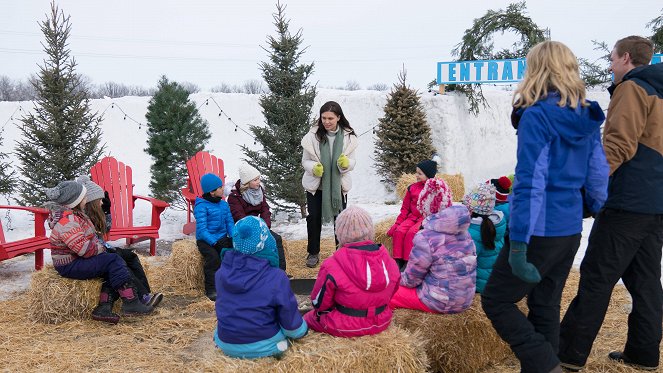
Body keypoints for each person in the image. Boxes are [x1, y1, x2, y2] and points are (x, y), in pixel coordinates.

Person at [480, 40, 609, 373]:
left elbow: (530, 183)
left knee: (496, 300)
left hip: (538, 230)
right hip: (568, 229)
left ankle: (544, 363)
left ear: (536, 71)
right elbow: (597, 174)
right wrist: (597, 207)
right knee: (545, 304)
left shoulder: (536, 117)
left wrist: (519, 242)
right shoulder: (586, 115)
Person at [558, 36, 663, 372]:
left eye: (613, 59)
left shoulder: (633, 88)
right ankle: (643, 354)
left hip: (628, 201)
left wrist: (587, 187)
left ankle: (566, 354)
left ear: (626, 58)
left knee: (597, 276)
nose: (610, 65)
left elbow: (618, 145)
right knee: (644, 280)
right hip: (656, 203)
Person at [45, 180, 153, 324]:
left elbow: (92, 238)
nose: (86, 199)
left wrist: (102, 248)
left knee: (112, 264)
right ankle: (131, 302)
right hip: (69, 264)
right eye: (84, 197)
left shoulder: (76, 216)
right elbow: (84, 249)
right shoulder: (67, 222)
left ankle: (104, 307)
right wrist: (102, 248)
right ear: (75, 201)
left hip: (76, 260)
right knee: (113, 260)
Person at [214, 216, 307, 358]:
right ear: (266, 241)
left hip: (227, 344)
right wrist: (302, 329)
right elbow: (291, 326)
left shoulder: (221, 273)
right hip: (264, 346)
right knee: (286, 336)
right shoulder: (276, 277)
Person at [303, 206, 400, 337]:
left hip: (346, 326)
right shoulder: (389, 261)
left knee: (308, 318)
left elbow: (319, 304)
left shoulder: (331, 265)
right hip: (381, 321)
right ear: (370, 231)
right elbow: (392, 291)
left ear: (340, 234)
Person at [389, 178, 477, 314]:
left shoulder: (426, 237)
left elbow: (411, 280)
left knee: (387, 294)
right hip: (464, 299)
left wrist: (393, 277)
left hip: (440, 301)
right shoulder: (464, 231)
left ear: (425, 206)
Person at [76, 175, 163, 308]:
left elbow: (105, 229)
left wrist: (106, 212)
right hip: (95, 252)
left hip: (100, 248)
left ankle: (145, 294)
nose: (101, 202)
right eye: (99, 200)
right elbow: (88, 243)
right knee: (120, 261)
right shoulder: (81, 218)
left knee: (131, 256)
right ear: (91, 202)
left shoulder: (93, 213)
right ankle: (140, 298)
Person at [301, 101, 358, 268]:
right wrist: (313, 168)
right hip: (316, 186)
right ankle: (313, 252)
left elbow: (353, 161)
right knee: (313, 219)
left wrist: (346, 163)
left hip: (338, 187)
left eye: (330, 118)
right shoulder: (312, 136)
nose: (326, 121)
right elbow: (305, 161)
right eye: (323, 118)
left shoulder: (349, 137)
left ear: (338, 118)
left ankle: (341, 252)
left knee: (340, 220)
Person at [227, 163, 286, 271]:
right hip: (245, 230)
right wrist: (256, 229)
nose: (258, 182)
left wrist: (265, 226)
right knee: (254, 246)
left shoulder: (259, 191)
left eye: (258, 178)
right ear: (247, 183)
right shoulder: (235, 197)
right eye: (255, 180)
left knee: (276, 239)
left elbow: (265, 209)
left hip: (260, 225)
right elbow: (239, 217)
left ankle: (280, 272)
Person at [387, 159, 437, 271]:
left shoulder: (434, 189)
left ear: (428, 175)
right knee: (399, 231)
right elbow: (405, 208)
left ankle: (408, 261)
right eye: (417, 172)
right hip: (412, 217)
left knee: (412, 233)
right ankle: (397, 260)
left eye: (420, 173)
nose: (417, 175)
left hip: (424, 218)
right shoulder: (412, 188)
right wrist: (397, 223)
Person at [194, 173, 234, 301]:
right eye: (220, 187)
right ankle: (211, 289)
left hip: (221, 237)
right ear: (212, 192)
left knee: (232, 254)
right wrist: (214, 242)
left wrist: (233, 237)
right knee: (213, 258)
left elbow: (229, 222)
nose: (223, 189)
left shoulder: (223, 204)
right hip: (206, 239)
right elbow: (202, 229)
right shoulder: (201, 206)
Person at [462, 183, 506, 294]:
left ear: (471, 210)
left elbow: (464, 263)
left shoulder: (473, 231)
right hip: (496, 281)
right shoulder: (498, 223)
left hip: (479, 285)